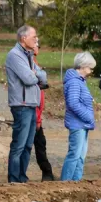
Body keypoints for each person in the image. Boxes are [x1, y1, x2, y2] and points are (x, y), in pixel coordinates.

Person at [5, 24, 47, 184]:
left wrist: (35, 74)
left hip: (31, 104)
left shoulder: (28, 55)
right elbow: (29, 79)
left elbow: (44, 76)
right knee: (19, 144)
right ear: (24, 38)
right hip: (21, 105)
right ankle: (14, 179)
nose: (36, 40)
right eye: (34, 37)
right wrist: (36, 74)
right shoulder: (15, 55)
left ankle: (22, 177)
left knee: (28, 144)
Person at [62, 52, 96, 181]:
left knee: (81, 156)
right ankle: (65, 183)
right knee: (74, 155)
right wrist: (88, 116)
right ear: (83, 66)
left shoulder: (80, 81)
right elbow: (73, 103)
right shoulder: (75, 82)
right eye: (90, 67)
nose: (91, 70)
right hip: (78, 124)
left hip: (83, 123)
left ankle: (76, 182)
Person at [31, 41, 55, 181]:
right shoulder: (30, 63)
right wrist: (37, 118)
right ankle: (47, 172)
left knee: (40, 143)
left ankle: (47, 172)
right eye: (36, 45)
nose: (38, 47)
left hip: (37, 111)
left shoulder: (35, 62)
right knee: (37, 144)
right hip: (33, 112)